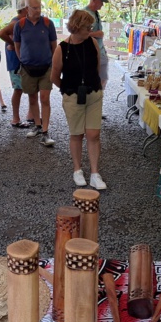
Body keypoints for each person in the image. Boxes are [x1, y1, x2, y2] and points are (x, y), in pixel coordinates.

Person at [51, 10, 106, 190]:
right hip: (73, 96)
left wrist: (93, 85)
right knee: (77, 134)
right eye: (87, 27)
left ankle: (95, 173)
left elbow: (96, 68)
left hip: (94, 94)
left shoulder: (92, 43)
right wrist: (67, 90)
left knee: (94, 134)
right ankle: (77, 170)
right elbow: (54, 76)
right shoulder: (62, 48)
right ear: (76, 27)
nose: (89, 31)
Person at [13, 0, 57, 147]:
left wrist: (52, 62)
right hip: (27, 67)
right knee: (32, 98)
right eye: (34, 8)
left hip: (46, 66)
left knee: (44, 98)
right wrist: (22, 60)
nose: (38, 10)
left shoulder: (47, 23)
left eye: (39, 7)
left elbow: (54, 45)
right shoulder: (20, 25)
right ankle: (37, 126)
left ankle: (45, 132)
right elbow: (17, 45)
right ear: (27, 8)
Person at [0, 0, 33, 128]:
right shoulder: (16, 22)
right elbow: (1, 33)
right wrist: (14, 44)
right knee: (18, 89)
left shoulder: (22, 21)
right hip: (16, 61)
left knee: (29, 87)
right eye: (31, 8)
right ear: (25, 9)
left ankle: (30, 114)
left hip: (21, 59)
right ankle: (15, 118)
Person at [84, 0, 109, 91]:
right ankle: (93, 100)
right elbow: (79, 35)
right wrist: (96, 34)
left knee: (103, 79)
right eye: (101, 1)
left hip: (100, 52)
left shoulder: (96, 13)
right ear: (94, 0)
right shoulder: (85, 14)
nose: (102, 4)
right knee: (93, 81)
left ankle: (98, 100)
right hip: (90, 53)